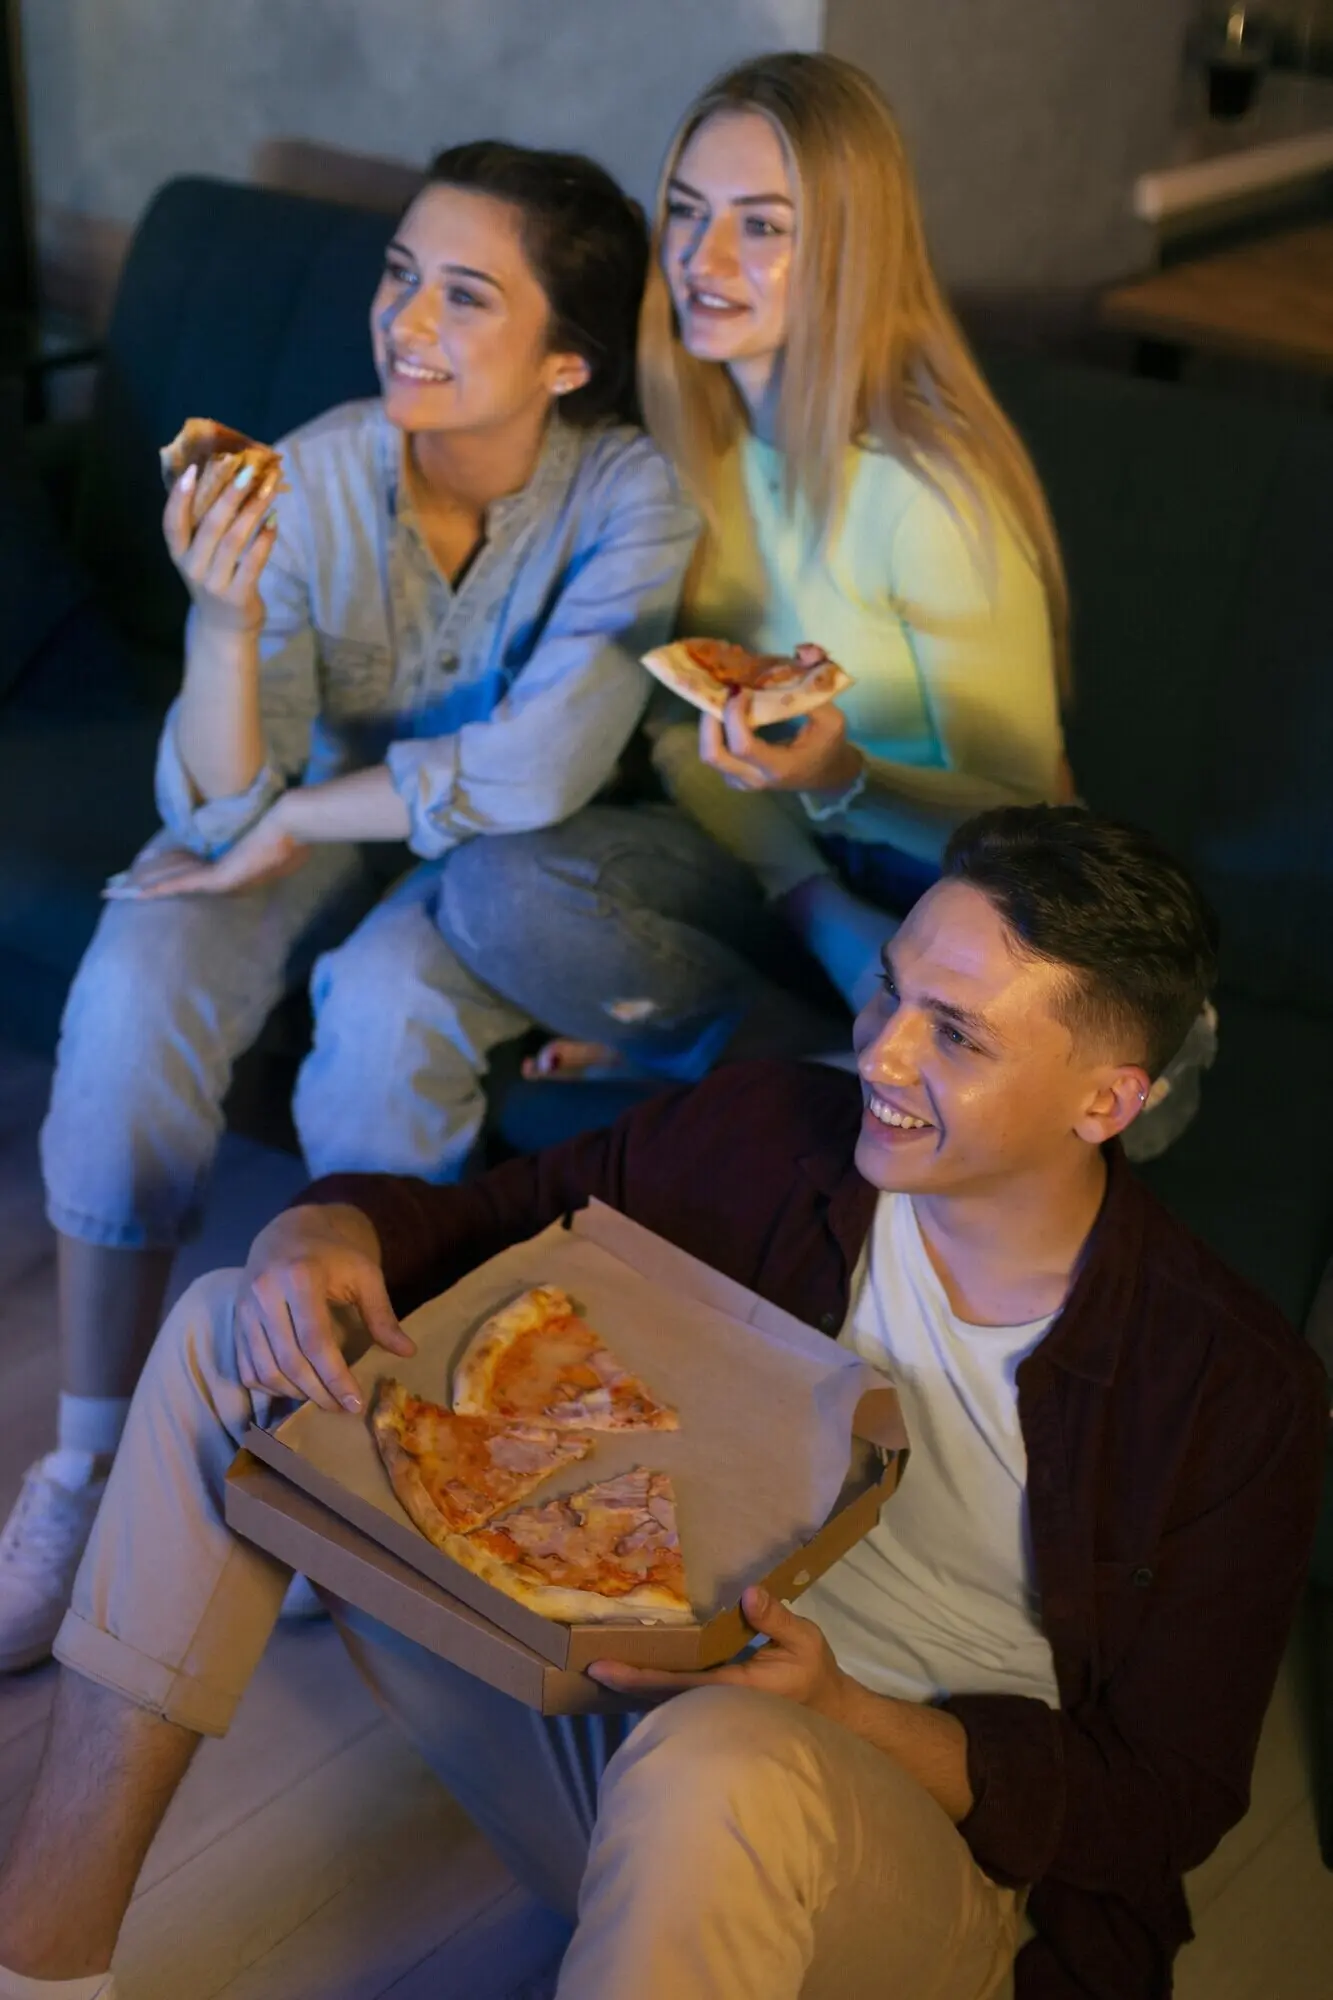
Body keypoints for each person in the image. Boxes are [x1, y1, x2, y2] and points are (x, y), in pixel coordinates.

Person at [0, 806, 1322, 2000]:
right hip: (620, 1692)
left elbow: (1162, 1804)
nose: (880, 1048)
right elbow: (491, 1224)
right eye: (890, 988)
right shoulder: (773, 1131)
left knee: (719, 1761)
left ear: (1109, 1101)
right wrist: (323, 1224)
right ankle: (42, 1973)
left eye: (956, 1032)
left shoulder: (1230, 1390)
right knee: (242, 1330)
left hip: (895, 1857)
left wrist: (845, 1716)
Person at [0, 140, 698, 1675]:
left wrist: (287, 822)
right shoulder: (309, 473)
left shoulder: (633, 497)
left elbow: (534, 772)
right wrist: (225, 618)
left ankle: (341, 1441)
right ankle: (84, 1462)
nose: (406, 321)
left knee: (388, 1011)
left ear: (566, 359)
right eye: (399, 276)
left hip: (499, 861)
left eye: (465, 296)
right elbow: (212, 813)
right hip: (313, 813)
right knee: (136, 966)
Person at [441, 51, 1069, 1089]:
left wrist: (843, 776)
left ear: (848, 251)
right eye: (686, 212)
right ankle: (802, 1064)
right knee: (493, 892)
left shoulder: (928, 495)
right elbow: (679, 732)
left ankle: (745, 1063)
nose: (701, 256)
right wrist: (813, 905)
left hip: (958, 885)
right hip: (780, 862)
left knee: (1055, 1074)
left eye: (762, 225)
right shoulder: (689, 440)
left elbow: (1028, 828)